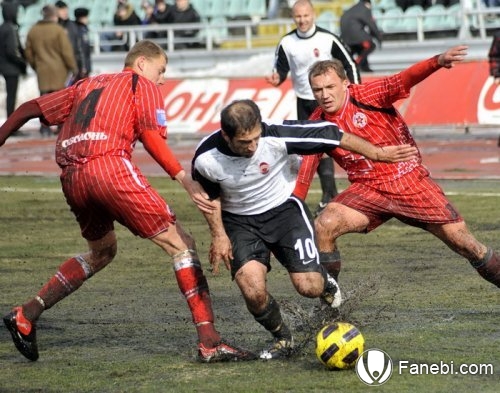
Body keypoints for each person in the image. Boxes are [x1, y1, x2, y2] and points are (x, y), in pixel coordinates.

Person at [0, 40, 254, 363]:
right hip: (109, 167)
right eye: (161, 70)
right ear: (143, 63)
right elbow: (150, 136)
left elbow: (29, 109)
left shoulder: (85, 84)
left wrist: (1, 136)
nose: (162, 79)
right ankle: (209, 340)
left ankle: (27, 313)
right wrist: (183, 178)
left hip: (71, 177)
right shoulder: (141, 84)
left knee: (102, 251)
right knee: (182, 244)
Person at [191, 99, 418, 360]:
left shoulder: (276, 134)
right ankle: (282, 339)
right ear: (225, 135)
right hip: (240, 223)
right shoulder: (206, 159)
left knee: (309, 287)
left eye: (256, 138)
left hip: (285, 213)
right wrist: (219, 235)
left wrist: (378, 154)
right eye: (244, 143)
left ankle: (324, 281)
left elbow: (331, 134)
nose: (253, 147)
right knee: (252, 290)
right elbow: (210, 197)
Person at [293, 45, 500, 289]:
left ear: (345, 83)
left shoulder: (368, 95)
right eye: (317, 90)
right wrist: (292, 211)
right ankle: (330, 299)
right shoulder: (316, 124)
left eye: (330, 87)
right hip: (367, 189)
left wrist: (437, 60)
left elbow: (404, 78)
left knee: (467, 245)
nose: (324, 95)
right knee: (324, 225)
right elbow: (305, 173)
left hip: (408, 181)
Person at [266, 0, 360, 217]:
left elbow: (349, 64)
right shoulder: (287, 42)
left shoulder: (327, 38)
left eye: (306, 16)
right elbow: (280, 70)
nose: (303, 20)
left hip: (330, 100)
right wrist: (276, 78)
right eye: (298, 16)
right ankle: (328, 195)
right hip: (304, 101)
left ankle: (340, 193)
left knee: (339, 142)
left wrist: (354, 92)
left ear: (313, 15)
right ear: (293, 17)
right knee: (313, 147)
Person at [24, 4, 77, 137]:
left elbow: (28, 52)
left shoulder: (33, 31)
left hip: (42, 69)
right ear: (54, 16)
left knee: (43, 101)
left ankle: (44, 127)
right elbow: (66, 52)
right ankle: (59, 127)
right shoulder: (58, 30)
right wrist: (73, 67)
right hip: (59, 71)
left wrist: (35, 65)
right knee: (59, 101)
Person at [0, 1, 27, 119]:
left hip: (5, 67)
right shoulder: (10, 28)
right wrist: (22, 63)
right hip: (11, 68)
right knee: (11, 96)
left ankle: (10, 123)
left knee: (10, 96)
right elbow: (12, 51)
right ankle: (11, 124)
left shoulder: (2, 27)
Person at [340, 0, 382, 73]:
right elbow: (371, 25)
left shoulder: (351, 9)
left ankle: (365, 67)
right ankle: (355, 64)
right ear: (368, 3)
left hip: (345, 37)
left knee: (360, 48)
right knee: (370, 45)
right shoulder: (364, 9)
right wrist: (379, 37)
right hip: (355, 35)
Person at [55, 1, 82, 77]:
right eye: (62, 10)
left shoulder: (73, 25)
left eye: (66, 10)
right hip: (58, 64)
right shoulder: (53, 27)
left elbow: (79, 46)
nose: (65, 12)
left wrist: (81, 64)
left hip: (73, 62)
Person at [73, 7, 92, 82]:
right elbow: (81, 50)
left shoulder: (83, 29)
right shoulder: (80, 31)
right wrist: (83, 67)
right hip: (82, 66)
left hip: (84, 65)